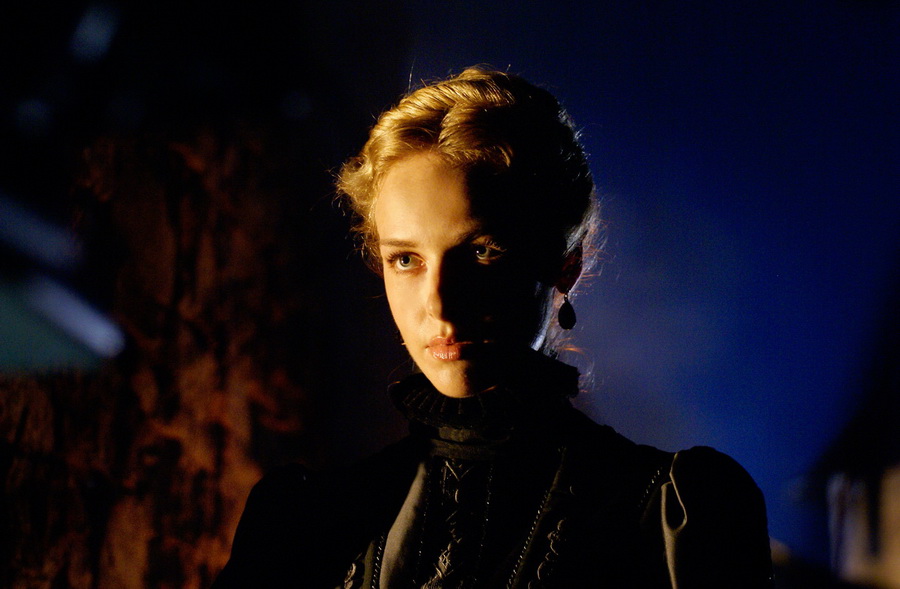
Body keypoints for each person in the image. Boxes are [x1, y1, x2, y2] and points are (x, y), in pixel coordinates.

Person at [212, 67, 773, 588]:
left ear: (566, 264)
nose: (439, 303)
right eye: (405, 259)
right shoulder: (303, 524)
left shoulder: (678, 518)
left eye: (482, 251)